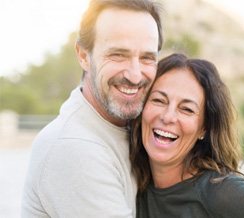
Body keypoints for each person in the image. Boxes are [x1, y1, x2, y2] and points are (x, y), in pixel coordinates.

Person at [21, 0, 163, 217]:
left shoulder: (136, 127)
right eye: (118, 55)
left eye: (147, 58)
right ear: (83, 55)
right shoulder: (73, 147)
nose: (135, 75)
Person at [130, 53, 244, 218]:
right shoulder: (130, 181)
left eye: (186, 109)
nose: (168, 116)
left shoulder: (221, 192)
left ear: (204, 128)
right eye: (159, 100)